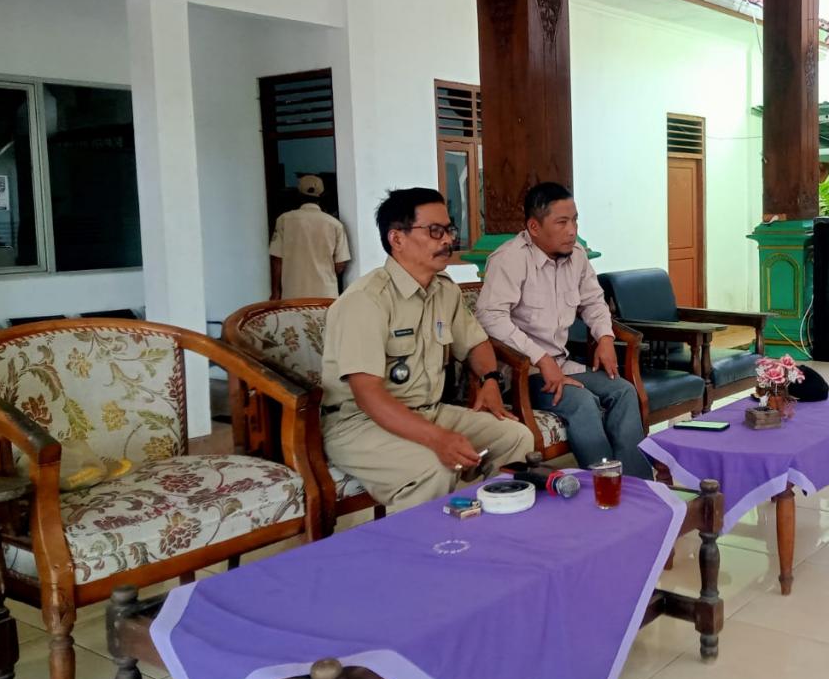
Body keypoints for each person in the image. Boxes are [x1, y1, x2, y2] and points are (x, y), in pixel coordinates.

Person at [321, 188, 534, 510]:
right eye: (435, 231)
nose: (448, 240)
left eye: (449, 229)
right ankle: (420, 541)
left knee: (515, 437)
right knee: (433, 467)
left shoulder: (444, 290)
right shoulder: (366, 300)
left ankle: (496, 526)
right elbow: (368, 396)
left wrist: (490, 379)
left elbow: (475, 343)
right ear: (397, 238)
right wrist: (437, 438)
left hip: (429, 411)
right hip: (359, 425)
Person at [476, 182, 652, 479]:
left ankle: (637, 485)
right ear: (534, 227)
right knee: (583, 403)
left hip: (561, 364)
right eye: (562, 222)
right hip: (523, 373)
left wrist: (605, 337)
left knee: (623, 391)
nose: (572, 230)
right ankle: (603, 486)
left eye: (575, 220)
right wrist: (540, 358)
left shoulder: (577, 255)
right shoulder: (510, 260)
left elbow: (594, 301)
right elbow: (491, 317)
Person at [269, 175, 350, 300]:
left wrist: (275, 292)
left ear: (298, 195)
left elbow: (276, 260)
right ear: (322, 196)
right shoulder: (335, 224)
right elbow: (340, 265)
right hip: (325, 296)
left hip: (293, 295)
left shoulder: (284, 220)